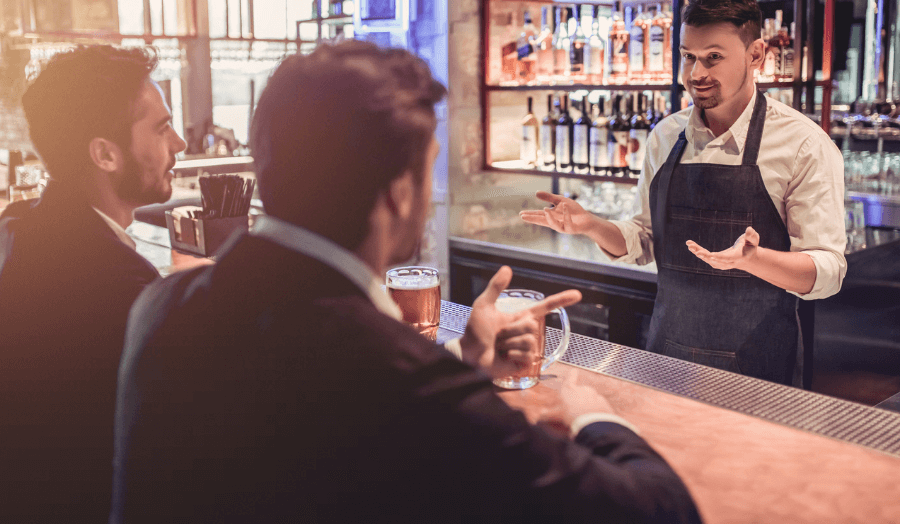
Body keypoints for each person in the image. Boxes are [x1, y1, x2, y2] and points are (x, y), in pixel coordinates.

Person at [111, 41, 701, 523]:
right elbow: (662, 511)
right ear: (398, 192)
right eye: (429, 167)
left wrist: (463, 362)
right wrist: (592, 415)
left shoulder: (162, 305)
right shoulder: (402, 379)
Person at [522, 0, 846, 386]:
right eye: (688, 56)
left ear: (756, 55)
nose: (696, 74)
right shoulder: (665, 136)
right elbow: (643, 240)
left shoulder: (803, 144)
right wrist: (591, 225)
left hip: (759, 374)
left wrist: (753, 260)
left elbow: (828, 271)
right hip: (666, 361)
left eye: (713, 58)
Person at [0, 45, 187, 519]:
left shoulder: (25, 225)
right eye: (162, 128)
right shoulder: (114, 282)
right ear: (105, 154)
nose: (180, 144)